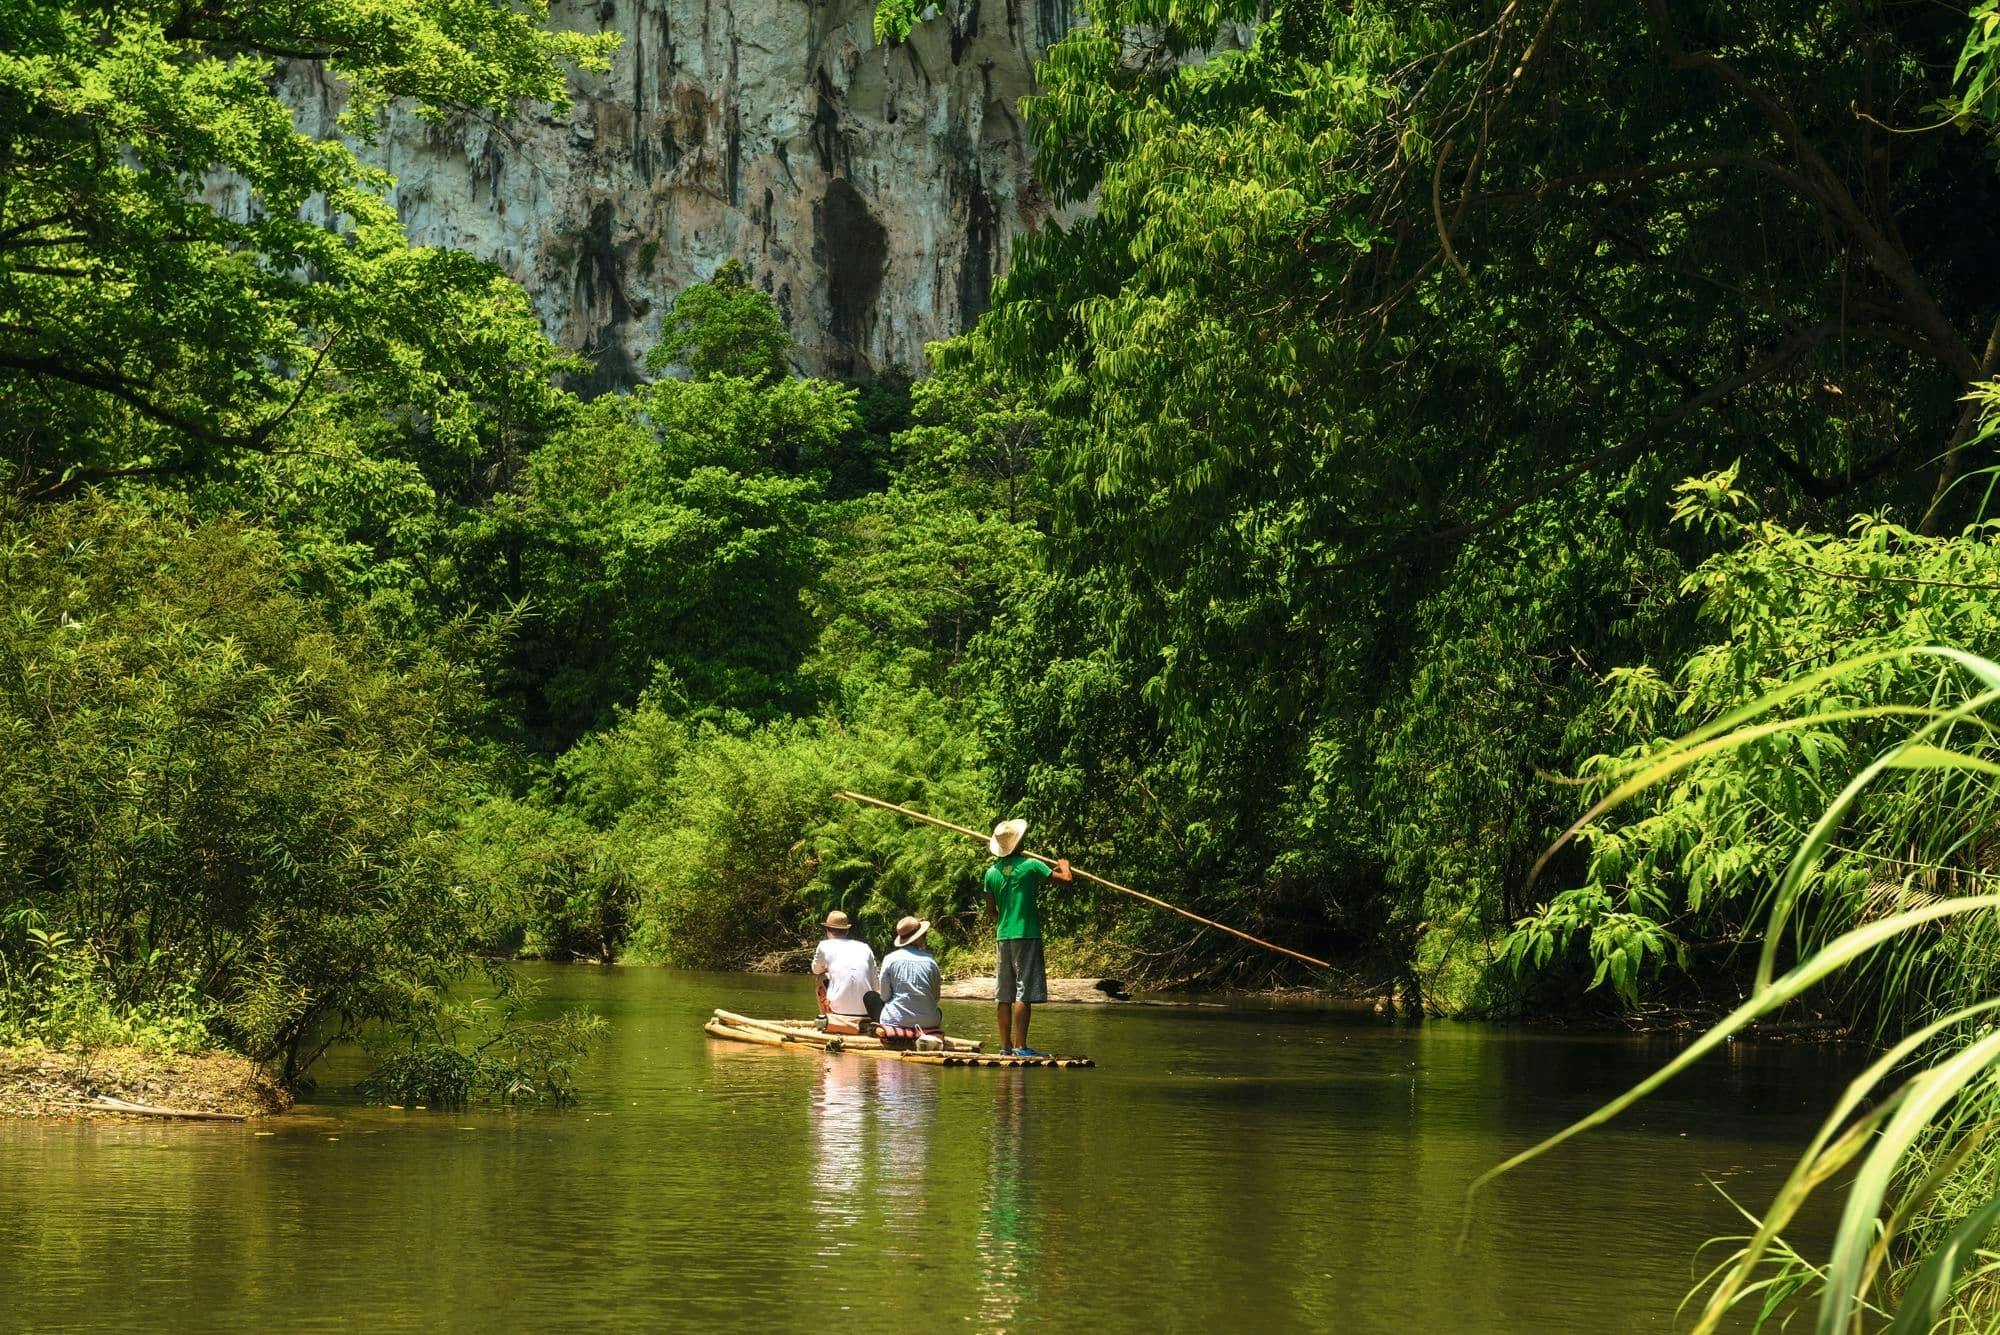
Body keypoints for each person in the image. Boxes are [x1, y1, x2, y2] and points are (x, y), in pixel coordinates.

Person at [983, 818, 1071, 1057]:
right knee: (1023, 991)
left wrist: (1005, 919)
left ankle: (1005, 1047)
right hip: (1027, 934)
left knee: (1004, 994)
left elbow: (991, 911)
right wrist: (1064, 865)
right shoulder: (1031, 865)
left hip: (1003, 937)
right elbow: (1065, 880)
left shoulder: (991, 873)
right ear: (1020, 842)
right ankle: (1021, 1047)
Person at [875, 916, 945, 1050]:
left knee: (871, 998)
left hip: (897, 1021)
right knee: (939, 1012)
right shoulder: (931, 962)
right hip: (928, 1021)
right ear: (919, 938)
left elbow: (884, 997)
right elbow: (935, 998)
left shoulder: (890, 959)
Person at [810, 910, 878, 1030]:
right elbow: (876, 985)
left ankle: (825, 1019)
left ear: (827, 930)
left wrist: (828, 969)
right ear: (846, 931)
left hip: (838, 1012)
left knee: (821, 977)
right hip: (867, 1011)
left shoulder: (824, 945)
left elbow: (816, 970)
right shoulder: (865, 947)